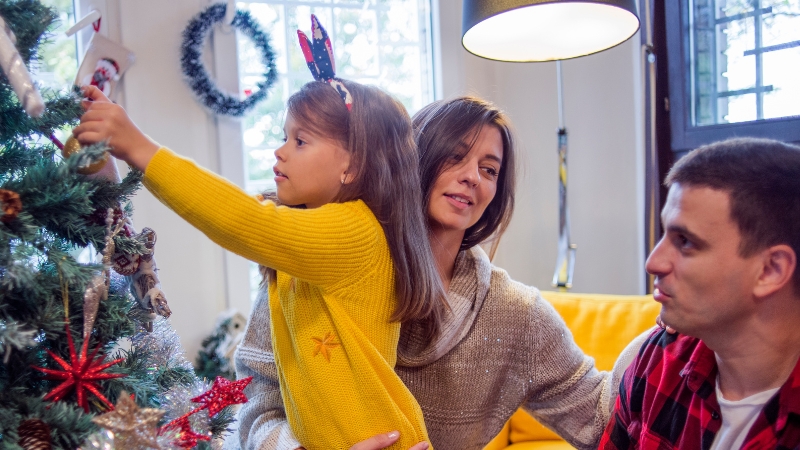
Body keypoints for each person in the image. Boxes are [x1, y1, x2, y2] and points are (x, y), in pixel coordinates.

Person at [73, 16, 447, 450]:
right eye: (283, 135)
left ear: (353, 165)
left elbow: (242, 220)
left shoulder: (356, 231)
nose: (280, 150)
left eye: (301, 141)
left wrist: (139, 147)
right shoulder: (305, 241)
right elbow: (248, 213)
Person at [231, 96, 648, 450]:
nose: (471, 177)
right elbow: (257, 403)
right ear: (412, 158)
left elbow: (601, 416)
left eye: (489, 169)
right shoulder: (315, 266)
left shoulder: (516, 315)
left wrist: (673, 330)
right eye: (454, 156)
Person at [599, 138, 800, 449]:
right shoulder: (658, 359)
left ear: (770, 270)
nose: (653, 262)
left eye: (686, 242)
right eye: (664, 233)